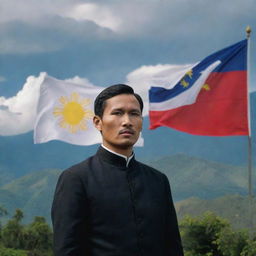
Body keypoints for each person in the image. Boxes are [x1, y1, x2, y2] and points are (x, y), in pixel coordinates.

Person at [51, 84, 184, 256]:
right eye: (117, 113)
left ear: (141, 123)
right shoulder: (76, 178)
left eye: (134, 114)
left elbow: (172, 247)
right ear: (98, 122)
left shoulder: (158, 180)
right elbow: (67, 249)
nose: (127, 121)